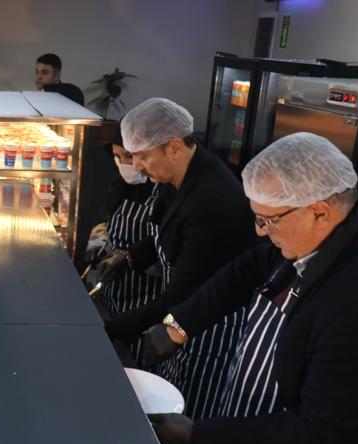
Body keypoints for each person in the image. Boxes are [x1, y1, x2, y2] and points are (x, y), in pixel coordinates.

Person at [144, 133, 358, 444]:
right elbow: (247, 269)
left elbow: (324, 432)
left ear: (320, 212)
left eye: (268, 221)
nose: (259, 232)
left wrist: (201, 437)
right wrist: (179, 324)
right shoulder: (329, 228)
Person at [94, 98, 255, 420]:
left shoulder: (211, 200)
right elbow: (162, 231)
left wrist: (111, 329)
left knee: (186, 413)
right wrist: (128, 256)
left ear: (174, 147)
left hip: (206, 328)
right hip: (179, 313)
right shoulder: (178, 176)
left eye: (142, 156)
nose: (136, 166)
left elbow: (184, 293)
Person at [90, 124, 164, 364]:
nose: (125, 164)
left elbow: (165, 251)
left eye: (129, 156)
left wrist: (129, 258)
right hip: (113, 294)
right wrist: (100, 243)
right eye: (117, 156)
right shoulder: (120, 184)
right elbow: (111, 228)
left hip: (146, 301)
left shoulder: (164, 191)